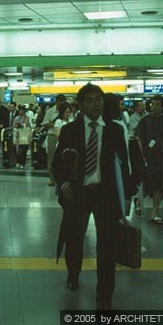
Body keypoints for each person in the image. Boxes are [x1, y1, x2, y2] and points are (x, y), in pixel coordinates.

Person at [52, 83, 129, 311]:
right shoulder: (69, 130)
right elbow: (58, 163)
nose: (96, 104)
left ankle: (104, 293)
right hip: (78, 194)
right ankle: (73, 273)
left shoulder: (115, 130)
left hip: (106, 195)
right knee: (75, 238)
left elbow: (124, 165)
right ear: (81, 104)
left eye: (99, 99)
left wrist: (127, 195)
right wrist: (63, 182)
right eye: (90, 100)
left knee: (107, 245)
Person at [136, 95, 163, 224]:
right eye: (152, 104)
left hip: (162, 158)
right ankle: (138, 201)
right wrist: (141, 156)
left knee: (159, 186)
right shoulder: (144, 121)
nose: (154, 107)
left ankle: (154, 212)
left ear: (162, 106)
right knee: (147, 185)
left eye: (157, 104)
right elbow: (139, 139)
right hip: (148, 158)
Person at [43, 95, 67, 186]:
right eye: (59, 102)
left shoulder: (67, 111)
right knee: (51, 157)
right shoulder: (50, 111)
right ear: (56, 102)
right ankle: (52, 179)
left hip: (64, 136)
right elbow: (45, 123)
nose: (61, 104)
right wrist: (55, 123)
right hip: (52, 135)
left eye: (63, 102)